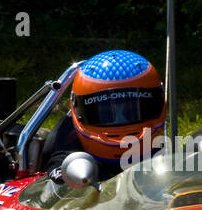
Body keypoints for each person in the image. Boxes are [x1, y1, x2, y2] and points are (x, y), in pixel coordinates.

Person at [42, 50, 166, 180]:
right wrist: (67, 175)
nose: (120, 120)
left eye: (130, 111)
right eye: (106, 113)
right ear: (79, 111)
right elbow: (60, 160)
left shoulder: (171, 152)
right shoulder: (67, 139)